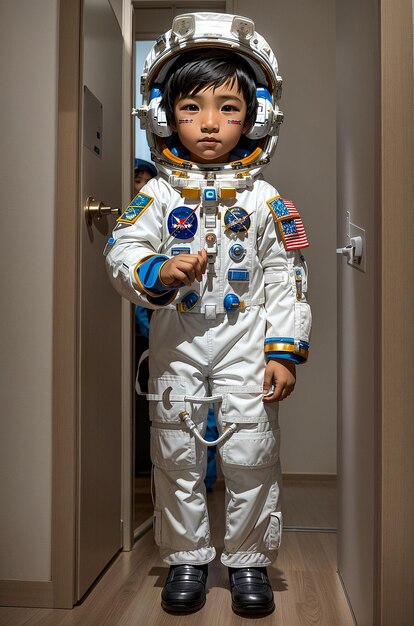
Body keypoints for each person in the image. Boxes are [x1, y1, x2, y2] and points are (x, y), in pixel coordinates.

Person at [105, 13, 311, 616]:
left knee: (251, 452)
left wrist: (283, 352)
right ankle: (187, 559)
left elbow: (286, 279)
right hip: (180, 338)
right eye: (192, 108)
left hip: (247, 337)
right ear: (165, 117)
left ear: (259, 116)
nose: (211, 124)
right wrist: (159, 271)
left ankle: (247, 562)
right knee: (175, 453)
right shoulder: (158, 195)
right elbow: (123, 250)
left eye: (228, 107)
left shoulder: (266, 199)